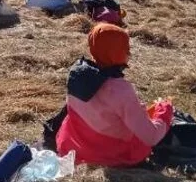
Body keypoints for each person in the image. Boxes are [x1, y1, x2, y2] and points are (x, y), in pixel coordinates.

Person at [56, 23, 174, 166]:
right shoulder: (121, 90)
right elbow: (151, 137)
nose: (129, 54)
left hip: (74, 149)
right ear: (116, 52)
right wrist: (164, 111)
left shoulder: (77, 75)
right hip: (111, 156)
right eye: (126, 49)